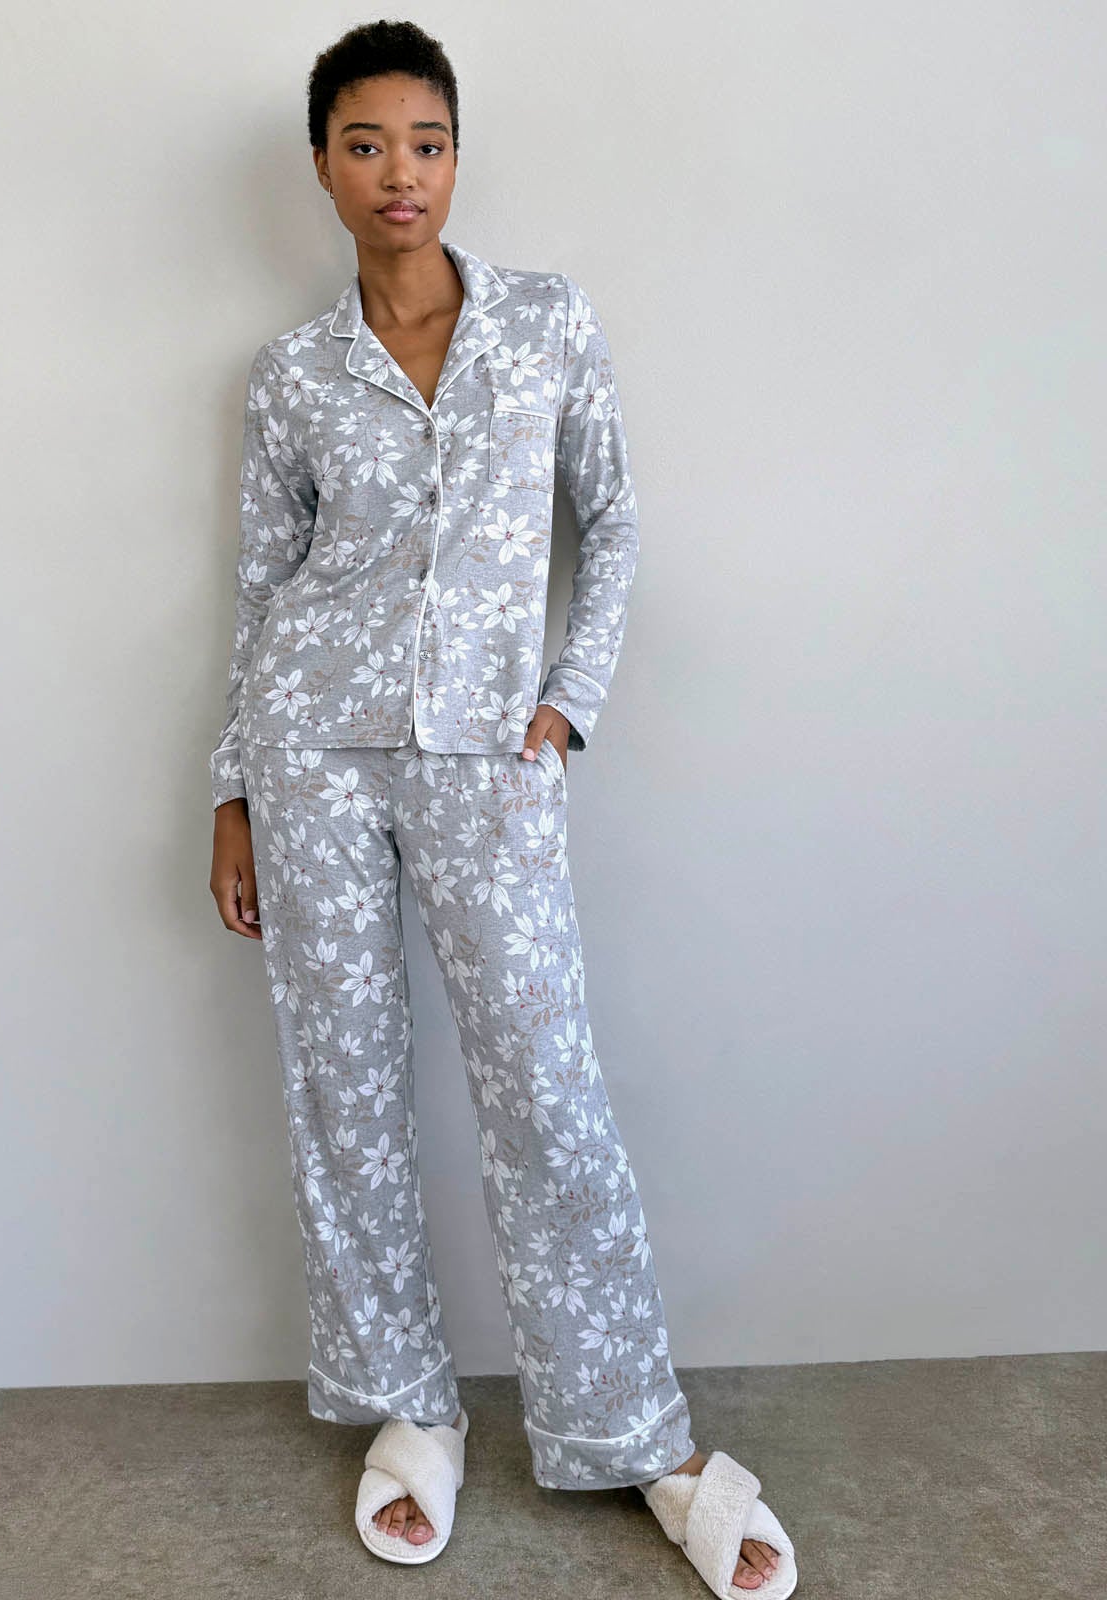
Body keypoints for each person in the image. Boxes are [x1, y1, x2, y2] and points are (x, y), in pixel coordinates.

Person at [208, 19, 791, 1594]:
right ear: (322, 165)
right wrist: (236, 788)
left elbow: (613, 519)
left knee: (544, 1084)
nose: (398, 172)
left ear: (458, 156)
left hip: (490, 755)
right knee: (345, 1088)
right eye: (365, 144)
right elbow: (263, 589)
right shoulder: (292, 374)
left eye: (427, 141)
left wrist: (566, 705)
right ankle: (411, 1405)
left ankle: (636, 1432)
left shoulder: (545, 323)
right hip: (314, 752)